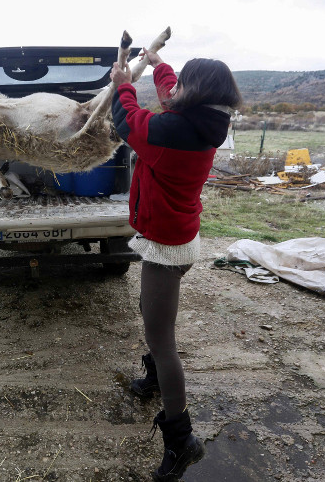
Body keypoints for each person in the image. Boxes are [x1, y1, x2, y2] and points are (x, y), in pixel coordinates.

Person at [110, 50, 241, 480]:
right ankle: (152, 379)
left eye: (181, 81)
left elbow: (128, 123)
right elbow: (171, 97)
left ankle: (181, 439)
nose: (173, 89)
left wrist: (122, 84)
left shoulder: (170, 131)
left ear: (195, 90)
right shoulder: (205, 120)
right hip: (180, 237)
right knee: (152, 313)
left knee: (161, 340)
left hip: (165, 249)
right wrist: (159, 64)